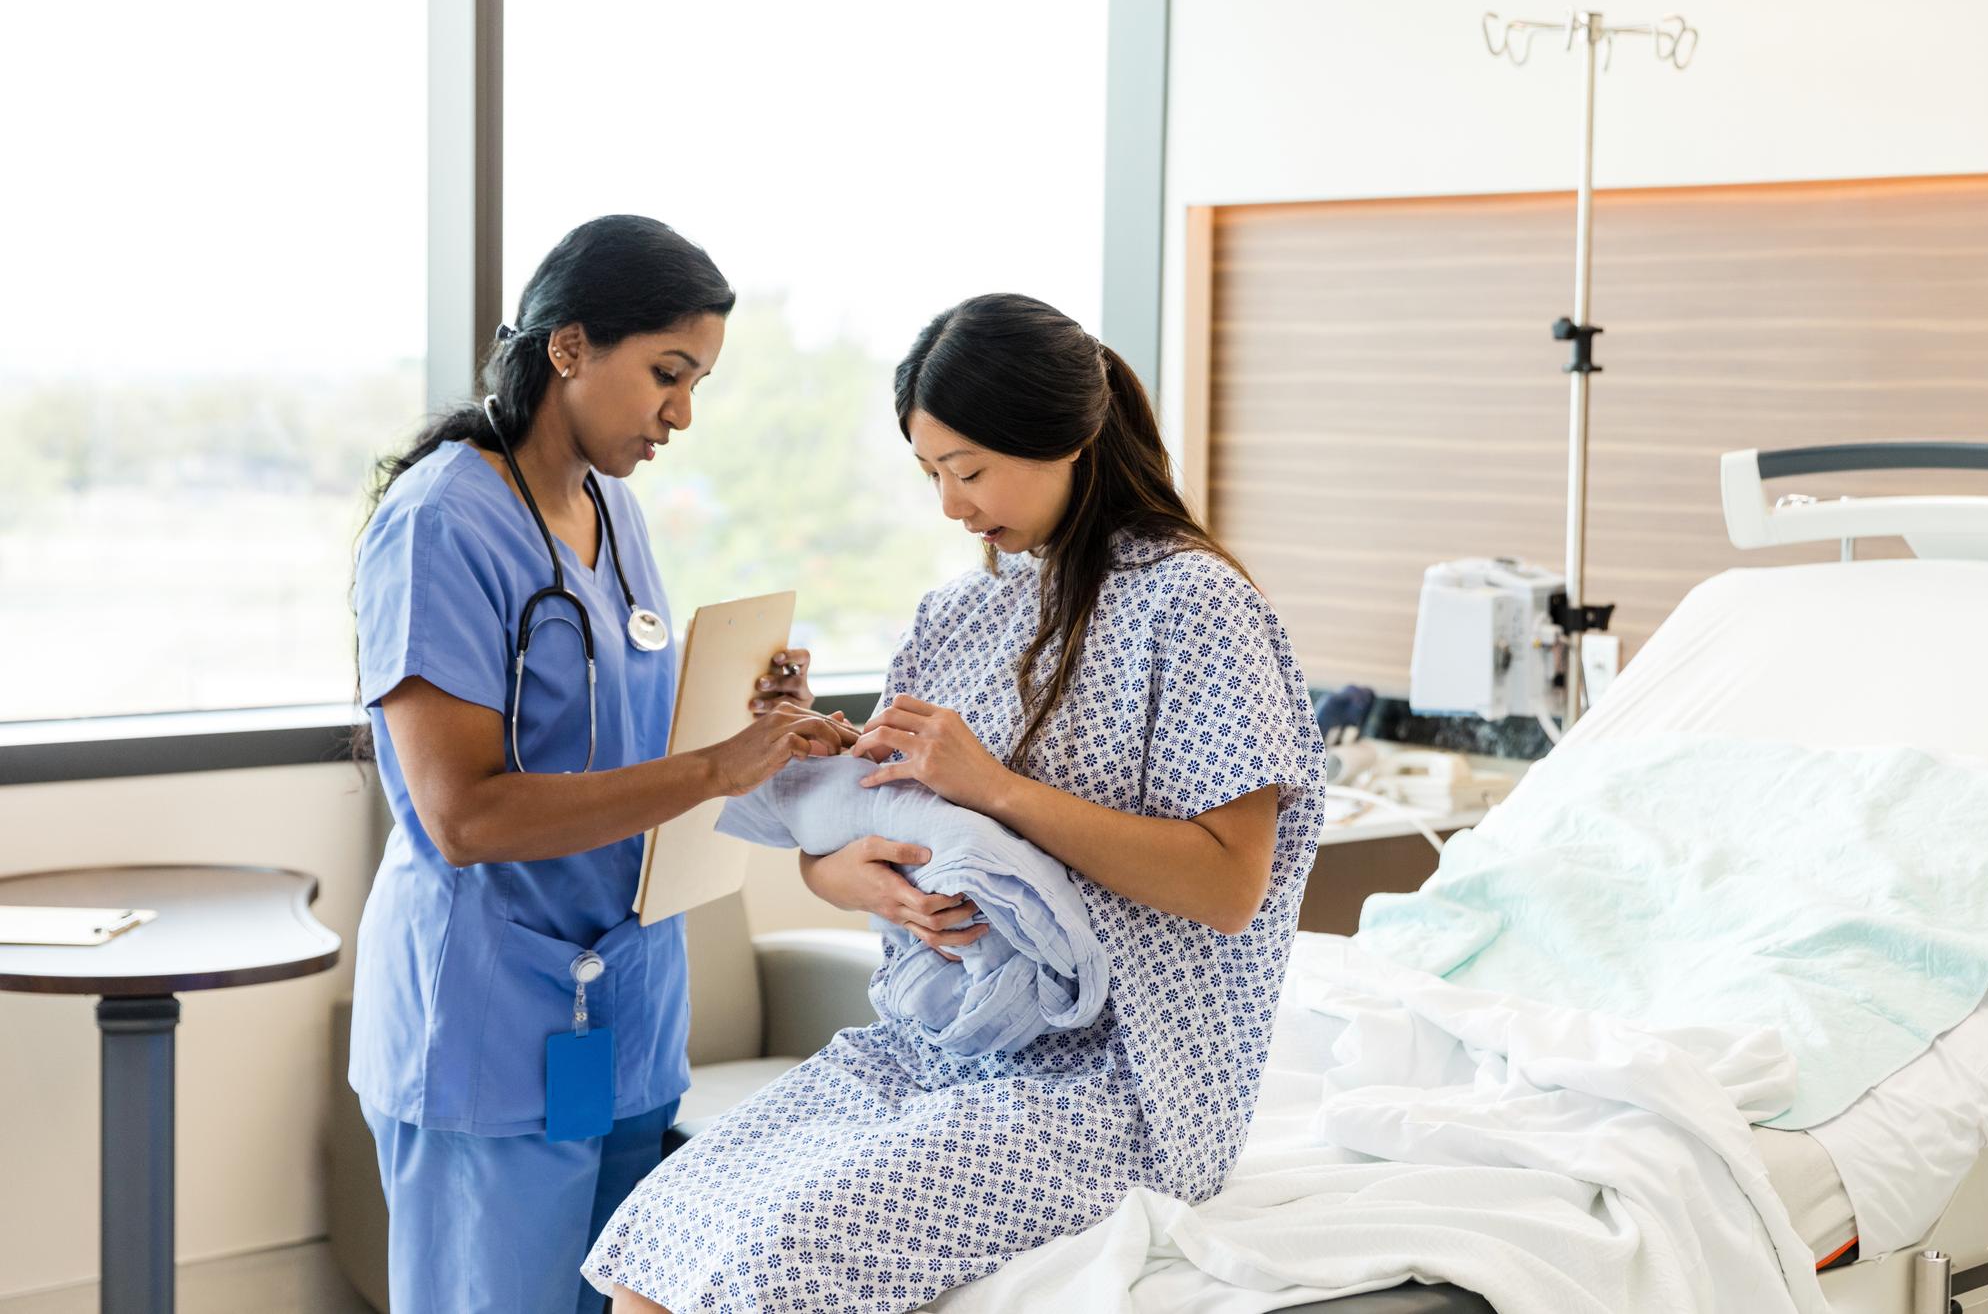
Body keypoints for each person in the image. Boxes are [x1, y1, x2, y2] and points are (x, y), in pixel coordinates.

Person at [587, 292, 1326, 1313]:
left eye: (969, 470)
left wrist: (994, 788)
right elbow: (853, 848)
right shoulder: (957, 615)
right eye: (931, 472)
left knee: (771, 1260)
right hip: (933, 1043)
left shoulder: (1195, 606)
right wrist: (859, 873)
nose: (949, 503)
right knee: (652, 1236)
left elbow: (1230, 885)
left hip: (1116, 1081)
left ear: (1066, 436)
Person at [349, 214, 856, 1314]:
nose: (682, 412)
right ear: (569, 347)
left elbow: (629, 734)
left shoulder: (612, 509)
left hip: (624, 1005)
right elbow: (464, 818)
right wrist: (718, 768)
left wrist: (756, 719)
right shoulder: (442, 523)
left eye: (699, 382)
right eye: (667, 373)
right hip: (490, 1011)